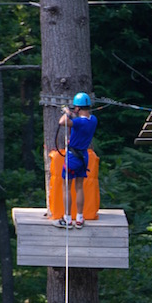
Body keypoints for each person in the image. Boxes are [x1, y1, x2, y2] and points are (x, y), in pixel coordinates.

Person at [58, 92, 98, 227]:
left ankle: (68, 218)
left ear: (77, 108)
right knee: (79, 186)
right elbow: (80, 121)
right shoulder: (93, 120)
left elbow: (62, 122)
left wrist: (67, 113)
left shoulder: (78, 122)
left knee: (66, 187)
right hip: (84, 156)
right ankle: (80, 218)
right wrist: (73, 114)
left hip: (72, 157)